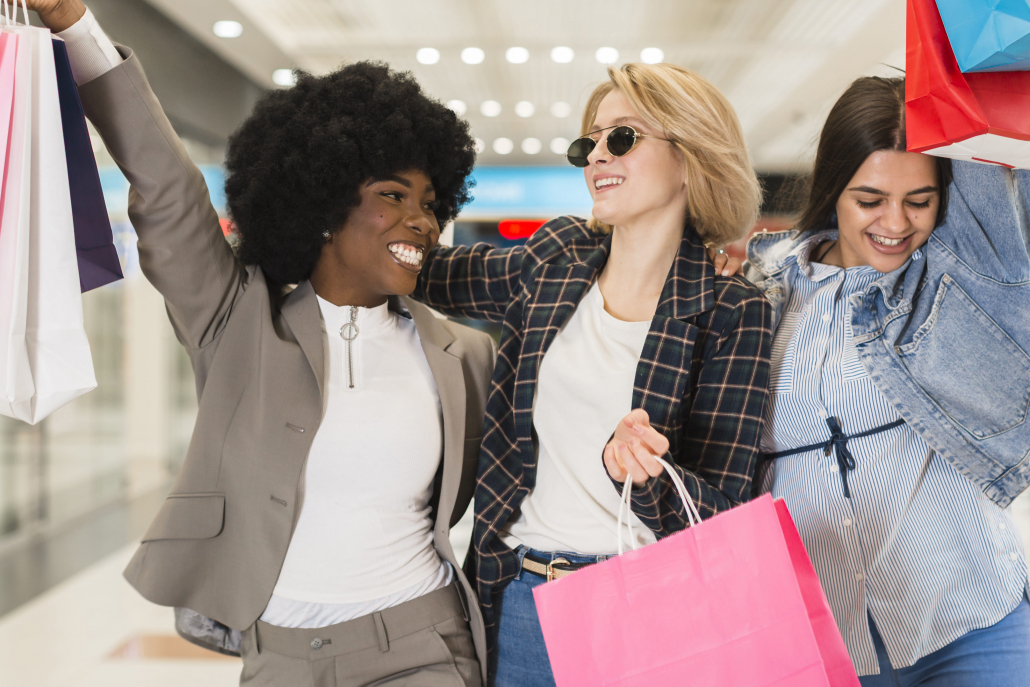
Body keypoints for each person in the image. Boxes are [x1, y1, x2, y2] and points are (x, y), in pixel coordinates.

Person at [31, 2, 496, 685]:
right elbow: (167, 186)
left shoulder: (464, 355)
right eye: (394, 195)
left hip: (422, 644)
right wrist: (74, 25)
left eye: (431, 203)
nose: (421, 221)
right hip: (277, 656)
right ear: (325, 204)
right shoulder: (238, 320)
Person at [411, 63, 773, 686]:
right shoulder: (555, 261)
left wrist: (645, 473)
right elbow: (425, 273)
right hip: (522, 600)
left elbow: (725, 516)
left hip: (654, 613)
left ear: (690, 157)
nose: (597, 155)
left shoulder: (732, 311)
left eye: (623, 137)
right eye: (591, 141)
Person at [716, 76, 1030, 686]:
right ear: (834, 191)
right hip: (819, 636)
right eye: (870, 199)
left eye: (920, 199)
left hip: (970, 617)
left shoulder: (961, 279)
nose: (896, 223)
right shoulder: (758, 295)